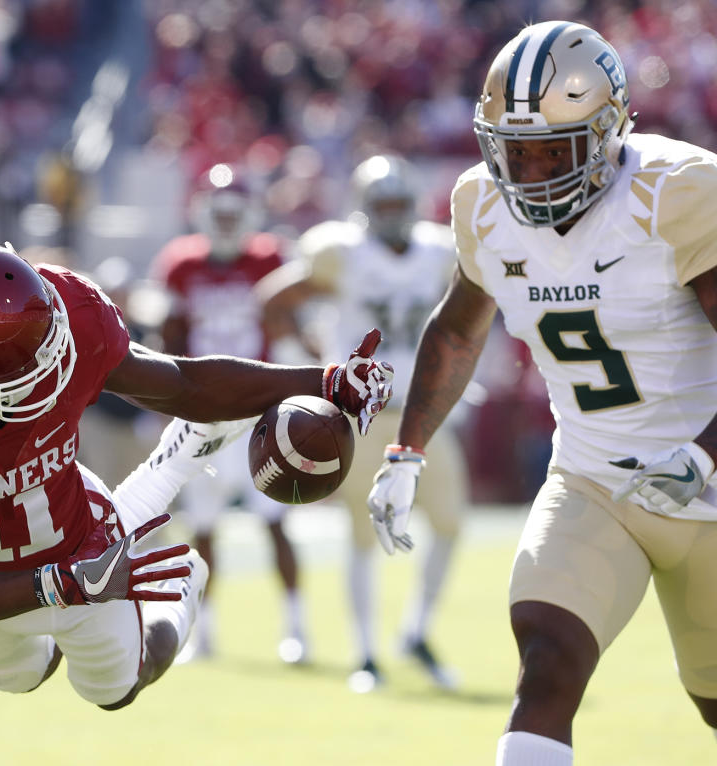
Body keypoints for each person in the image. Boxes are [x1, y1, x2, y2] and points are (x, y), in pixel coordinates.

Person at [0, 235, 393, 710]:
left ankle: (177, 545)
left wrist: (322, 381)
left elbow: (183, 382)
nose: (50, 371)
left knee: (113, 689)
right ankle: (164, 477)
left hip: (77, 532)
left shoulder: (63, 310)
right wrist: (59, 585)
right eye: (22, 373)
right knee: (21, 677)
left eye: (47, 347)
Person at [366, 20, 717, 764]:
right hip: (590, 481)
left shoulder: (673, 192)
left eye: (554, 150)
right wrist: (407, 449)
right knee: (548, 665)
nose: (530, 173)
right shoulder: (483, 208)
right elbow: (459, 328)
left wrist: (706, 455)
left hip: (708, 488)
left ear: (610, 131)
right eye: (514, 151)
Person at [258, 154, 468, 690]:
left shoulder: (440, 250)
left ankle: (416, 632)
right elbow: (274, 300)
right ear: (365, 208)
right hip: (362, 417)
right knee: (360, 533)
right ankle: (366, 653)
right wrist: (312, 362)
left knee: (449, 521)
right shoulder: (341, 253)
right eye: (384, 204)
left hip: (423, 412)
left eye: (400, 203)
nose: (394, 213)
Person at [151, 163, 309, 664]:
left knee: (274, 522)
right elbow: (168, 337)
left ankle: (296, 628)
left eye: (231, 213)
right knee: (202, 529)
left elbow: (292, 323)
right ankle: (205, 633)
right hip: (201, 415)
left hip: (257, 413)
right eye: (215, 213)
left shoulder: (269, 258)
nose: (222, 222)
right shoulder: (180, 264)